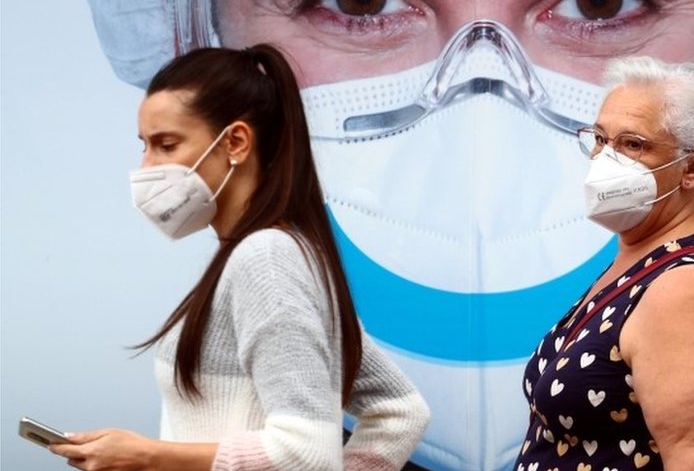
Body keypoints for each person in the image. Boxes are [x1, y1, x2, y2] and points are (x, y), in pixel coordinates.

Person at [65, 0, 694, 469]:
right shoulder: (622, 280)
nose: (481, 113)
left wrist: (151, 456)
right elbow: (386, 413)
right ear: (186, 39)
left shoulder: (680, 289)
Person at [49, 44, 430, 471]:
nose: (146, 167)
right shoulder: (281, 253)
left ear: (235, 142)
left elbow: (306, 453)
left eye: (166, 145)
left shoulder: (265, 260)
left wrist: (148, 456)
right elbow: (398, 410)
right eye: (144, 146)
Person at [516, 55, 694, 471]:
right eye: (600, 139)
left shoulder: (685, 289)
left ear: (693, 168)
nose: (605, 159)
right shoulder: (641, 264)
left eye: (633, 144)